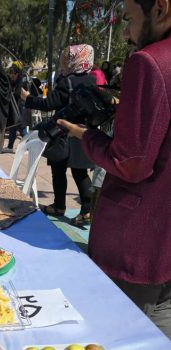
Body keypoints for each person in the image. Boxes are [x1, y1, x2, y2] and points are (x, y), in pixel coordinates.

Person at [58, 0, 171, 338]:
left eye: (129, 18)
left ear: (161, 9)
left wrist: (86, 136)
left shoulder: (150, 62)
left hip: (137, 242)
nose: (125, 32)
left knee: (116, 335)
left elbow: (131, 163)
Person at [21, 44, 95, 226]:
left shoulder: (66, 81)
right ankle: (87, 211)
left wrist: (28, 98)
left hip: (62, 133)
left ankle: (59, 206)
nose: (63, 62)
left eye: (66, 59)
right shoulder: (91, 80)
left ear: (73, 60)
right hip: (83, 133)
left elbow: (49, 104)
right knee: (80, 173)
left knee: (58, 171)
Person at [2, 60, 32, 153]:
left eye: (13, 74)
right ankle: (10, 147)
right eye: (10, 73)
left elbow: (18, 94)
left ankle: (29, 147)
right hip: (16, 108)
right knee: (12, 127)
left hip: (21, 108)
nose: (11, 76)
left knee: (22, 128)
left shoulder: (21, 81)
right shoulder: (16, 81)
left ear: (17, 73)